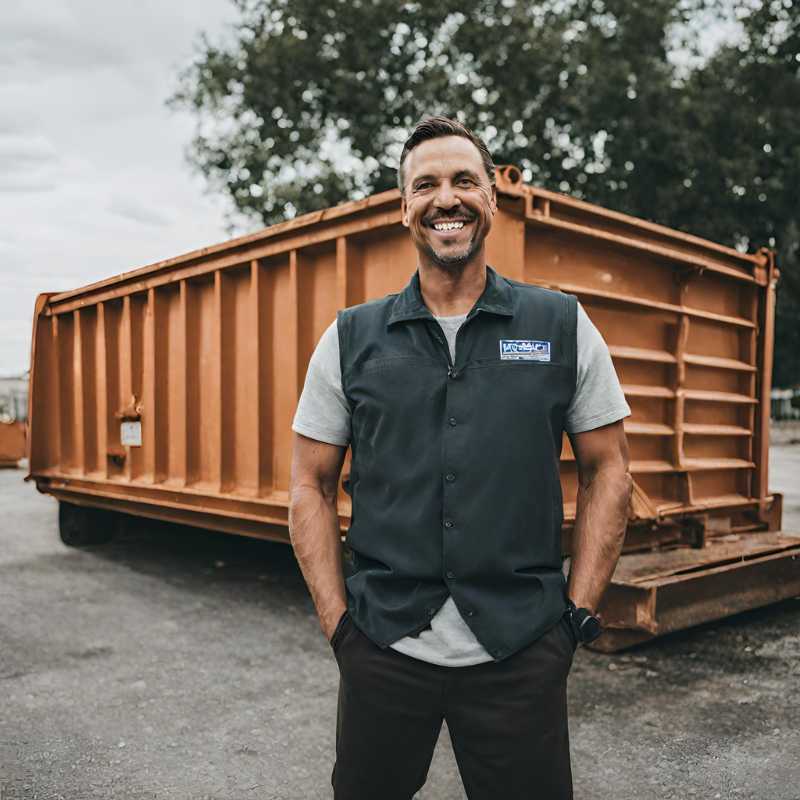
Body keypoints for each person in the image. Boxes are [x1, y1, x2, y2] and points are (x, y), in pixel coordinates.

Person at [288, 115, 633, 800]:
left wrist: (575, 621)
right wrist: (339, 627)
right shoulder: (351, 338)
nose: (446, 198)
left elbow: (610, 470)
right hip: (384, 651)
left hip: (521, 654)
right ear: (404, 208)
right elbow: (310, 484)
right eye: (426, 185)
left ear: (492, 200)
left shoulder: (560, 325)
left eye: (463, 181)